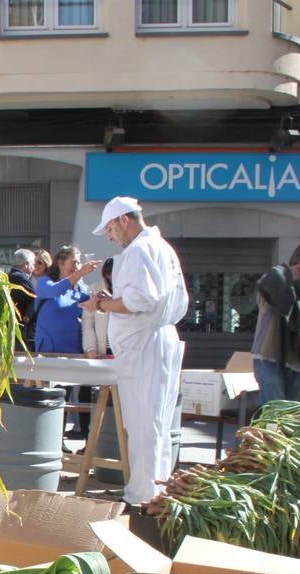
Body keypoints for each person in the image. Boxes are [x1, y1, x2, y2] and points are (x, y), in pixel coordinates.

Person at [83, 196, 188, 509]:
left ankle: (144, 494)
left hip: (145, 345)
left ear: (123, 221)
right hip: (153, 340)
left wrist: (101, 304)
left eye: (111, 231)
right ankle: (155, 487)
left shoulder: (140, 250)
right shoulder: (158, 247)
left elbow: (138, 302)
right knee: (155, 421)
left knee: (144, 422)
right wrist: (111, 300)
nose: (111, 238)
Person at [251, 238, 300, 406]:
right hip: (269, 359)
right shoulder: (275, 280)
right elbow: (268, 291)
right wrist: (292, 275)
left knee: (288, 415)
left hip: (294, 362)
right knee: (274, 413)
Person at [33, 246, 98, 354]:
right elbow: (55, 290)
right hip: (48, 352)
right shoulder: (45, 282)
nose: (77, 266)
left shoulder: (83, 289)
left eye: (79, 263)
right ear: (60, 263)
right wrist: (80, 273)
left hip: (75, 352)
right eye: (74, 262)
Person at [7, 248, 37, 347]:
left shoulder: (9, 276)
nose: (34, 267)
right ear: (26, 264)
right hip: (21, 331)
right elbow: (34, 298)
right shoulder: (19, 278)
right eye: (33, 264)